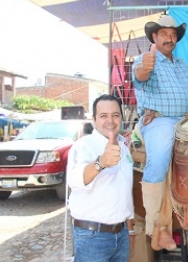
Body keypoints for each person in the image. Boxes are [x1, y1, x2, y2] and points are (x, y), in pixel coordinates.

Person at [132, 14, 188, 251]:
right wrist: (145, 68)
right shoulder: (145, 60)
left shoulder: (182, 65)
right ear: (154, 37)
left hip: (187, 119)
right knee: (159, 158)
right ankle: (157, 225)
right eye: (165, 34)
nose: (170, 38)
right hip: (160, 120)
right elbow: (140, 75)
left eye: (173, 34)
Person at [67, 94, 135, 262]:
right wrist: (101, 162)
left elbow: (125, 191)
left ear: (121, 117)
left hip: (121, 235)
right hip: (92, 237)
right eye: (104, 116)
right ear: (94, 119)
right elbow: (76, 180)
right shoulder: (83, 146)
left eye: (115, 115)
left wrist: (130, 230)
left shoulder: (124, 148)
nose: (110, 120)